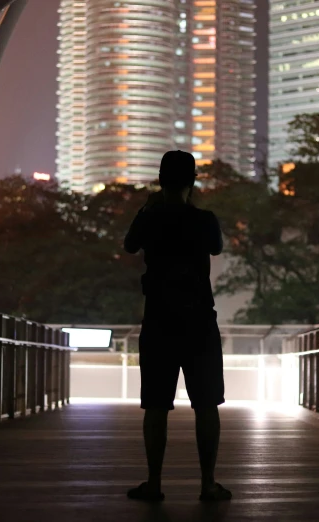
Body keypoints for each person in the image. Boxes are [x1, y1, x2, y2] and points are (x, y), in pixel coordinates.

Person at [123, 150, 232, 503]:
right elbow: (216, 246)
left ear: (159, 179)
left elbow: (129, 245)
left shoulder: (151, 218)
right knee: (206, 405)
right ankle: (208, 484)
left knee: (156, 405)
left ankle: (154, 483)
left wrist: (147, 207)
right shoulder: (204, 220)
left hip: (158, 320)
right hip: (199, 319)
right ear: (193, 181)